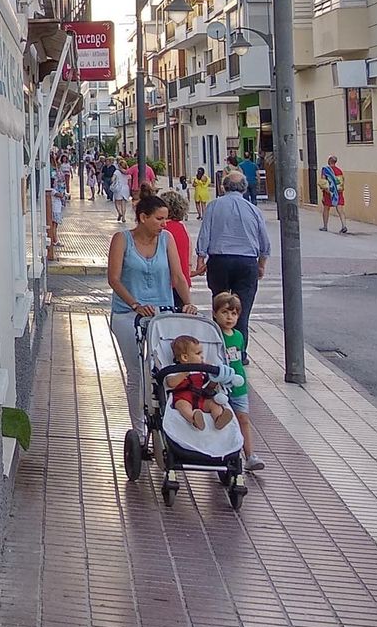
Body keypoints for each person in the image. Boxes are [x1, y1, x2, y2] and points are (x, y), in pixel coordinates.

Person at [108, 192, 199, 437]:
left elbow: (178, 276)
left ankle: (166, 423)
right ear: (143, 217)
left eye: (165, 219)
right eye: (159, 219)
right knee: (137, 371)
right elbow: (114, 279)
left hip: (162, 312)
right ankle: (138, 429)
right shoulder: (122, 240)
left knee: (163, 368)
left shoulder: (166, 239)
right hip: (128, 313)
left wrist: (188, 303)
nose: (164, 224)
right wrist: (135, 304)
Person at [195, 170, 271, 352]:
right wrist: (261, 264)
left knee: (219, 306)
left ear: (224, 187)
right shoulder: (254, 210)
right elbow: (264, 242)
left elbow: (205, 233)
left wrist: (200, 258)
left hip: (219, 261)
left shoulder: (213, 206)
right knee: (241, 310)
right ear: (244, 188)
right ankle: (240, 352)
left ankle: (219, 349)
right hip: (246, 262)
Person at [212, 291, 265, 471]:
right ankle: (219, 451)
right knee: (220, 418)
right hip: (219, 385)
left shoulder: (238, 336)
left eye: (234, 313)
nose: (229, 317)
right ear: (215, 313)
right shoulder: (213, 336)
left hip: (238, 384)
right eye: (225, 312)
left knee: (243, 418)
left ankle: (250, 455)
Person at [166, 335, 233, 431]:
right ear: (185, 357)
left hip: (201, 396)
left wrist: (215, 379)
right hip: (183, 397)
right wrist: (185, 372)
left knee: (213, 404)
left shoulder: (203, 369)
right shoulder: (175, 369)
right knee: (182, 406)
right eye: (198, 353)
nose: (202, 356)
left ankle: (219, 418)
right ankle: (193, 418)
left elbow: (209, 386)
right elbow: (170, 383)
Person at [160, 189, 193, 284]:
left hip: (165, 281)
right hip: (182, 280)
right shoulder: (182, 227)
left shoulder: (161, 228)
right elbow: (188, 257)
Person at [320, 155, 349, 233]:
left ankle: (325, 226)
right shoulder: (339, 171)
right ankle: (344, 225)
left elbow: (323, 182)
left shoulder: (325, 170)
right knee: (340, 210)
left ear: (329, 161)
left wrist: (324, 191)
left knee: (326, 209)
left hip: (328, 192)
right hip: (338, 192)